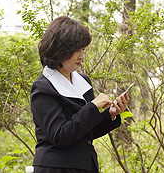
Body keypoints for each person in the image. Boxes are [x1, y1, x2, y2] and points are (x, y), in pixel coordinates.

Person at [30, 16, 129, 173]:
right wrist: (93, 106)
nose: (82, 56)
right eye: (77, 50)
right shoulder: (43, 87)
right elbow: (60, 136)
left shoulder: (83, 81)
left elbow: (86, 132)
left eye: (83, 49)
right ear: (59, 50)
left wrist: (110, 114)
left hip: (85, 166)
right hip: (56, 169)